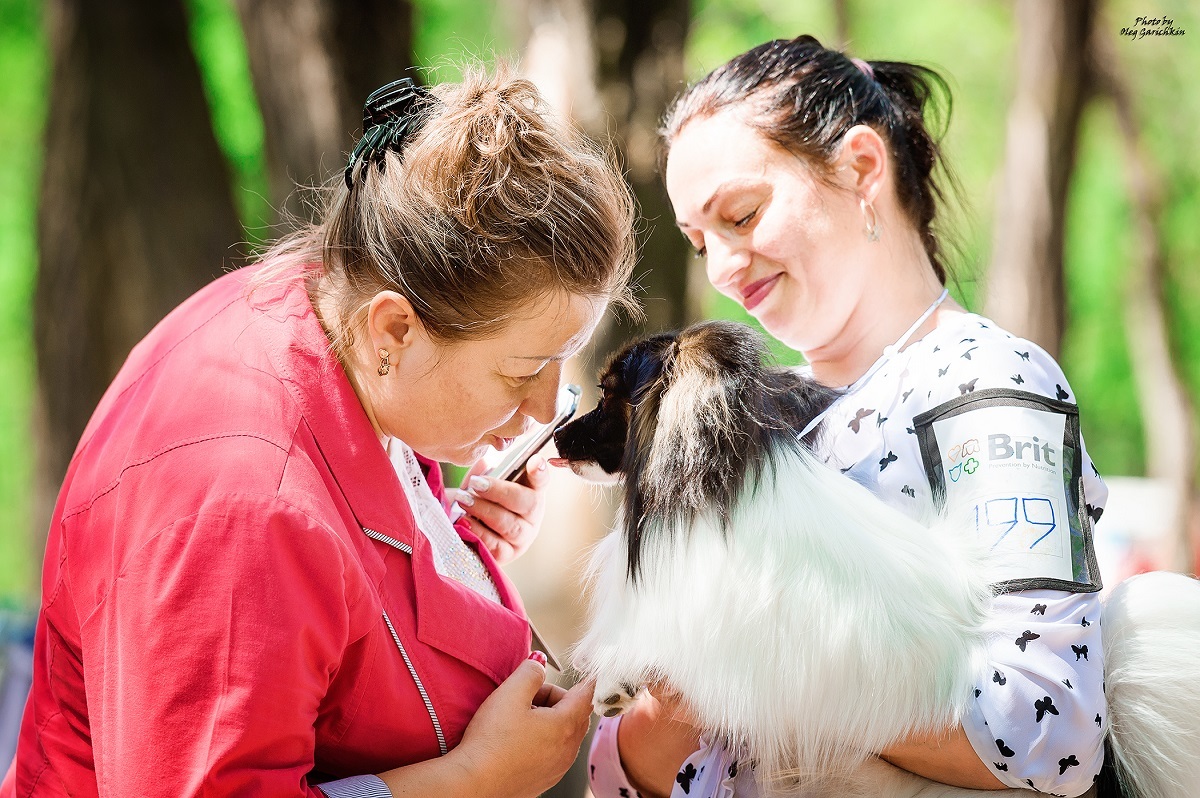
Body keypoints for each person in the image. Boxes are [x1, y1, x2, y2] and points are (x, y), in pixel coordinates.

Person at [1, 65, 637, 798]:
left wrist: (454, 546)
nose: (543, 410)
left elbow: (349, 569)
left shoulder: (332, 307)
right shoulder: (241, 512)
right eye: (521, 371)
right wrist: (474, 779)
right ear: (394, 327)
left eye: (565, 363)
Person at [587, 36, 1107, 798]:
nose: (723, 267)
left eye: (742, 213)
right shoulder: (735, 427)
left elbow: (1046, 722)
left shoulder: (983, 382)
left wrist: (760, 665)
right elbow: (621, 769)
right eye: (700, 243)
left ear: (862, 167)